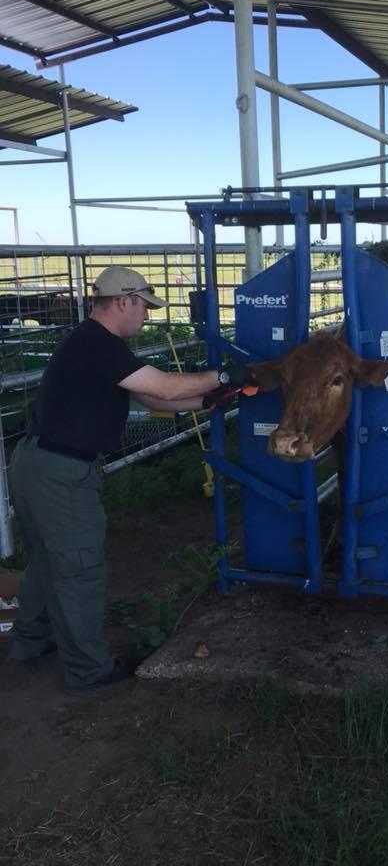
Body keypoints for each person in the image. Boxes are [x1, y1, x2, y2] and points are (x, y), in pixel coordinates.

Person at [8, 266, 252, 694]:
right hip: (60, 472)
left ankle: (31, 641)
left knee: (49, 559)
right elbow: (164, 387)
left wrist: (218, 398)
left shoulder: (96, 347)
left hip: (39, 463)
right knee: (79, 567)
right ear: (123, 300)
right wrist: (229, 375)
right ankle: (88, 671)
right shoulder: (98, 345)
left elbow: (157, 397)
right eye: (144, 306)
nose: (147, 316)